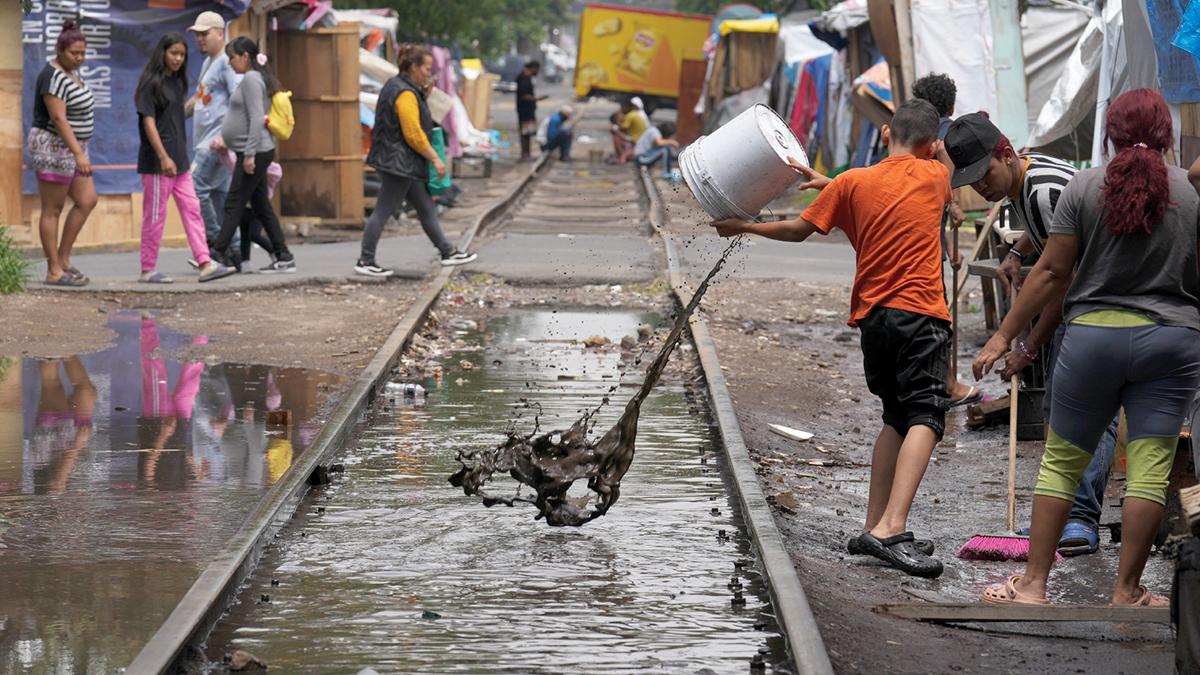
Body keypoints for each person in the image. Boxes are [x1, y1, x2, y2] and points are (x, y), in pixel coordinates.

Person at [973, 89, 1200, 606]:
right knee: (1149, 469)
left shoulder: (1083, 188)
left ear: (1109, 134)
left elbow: (1052, 272)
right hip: (1172, 343)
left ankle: (1032, 586)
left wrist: (1006, 334)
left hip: (1092, 342)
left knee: (1061, 463)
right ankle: (1128, 590)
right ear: (1166, 135)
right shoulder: (1191, 195)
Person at [709, 99, 952, 578]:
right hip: (921, 315)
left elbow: (799, 230)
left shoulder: (851, 183)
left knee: (895, 417)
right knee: (927, 414)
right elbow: (941, 167)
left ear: (885, 134)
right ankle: (891, 529)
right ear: (929, 145)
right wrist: (940, 151)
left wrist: (742, 225)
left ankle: (872, 526)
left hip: (873, 319)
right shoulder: (936, 178)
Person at [947, 112, 1117, 556]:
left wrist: (1023, 344)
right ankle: (1063, 514)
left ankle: (1080, 518)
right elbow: (1050, 232)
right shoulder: (1025, 180)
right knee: (1064, 409)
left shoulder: (1043, 190)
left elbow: (1062, 281)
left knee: (1089, 414)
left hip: (1100, 304)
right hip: (1083, 298)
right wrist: (1017, 252)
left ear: (1005, 153)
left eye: (984, 175)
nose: (980, 187)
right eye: (970, 180)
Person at [357, 44, 479, 278]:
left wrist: (425, 95)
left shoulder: (403, 88)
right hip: (398, 163)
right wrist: (435, 158)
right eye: (426, 68)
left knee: (425, 207)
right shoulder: (404, 93)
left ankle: (447, 251)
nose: (428, 73)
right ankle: (366, 260)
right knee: (383, 210)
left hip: (401, 162)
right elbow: (412, 132)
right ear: (413, 67)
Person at [134, 33, 234, 284]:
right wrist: (163, 157)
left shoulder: (179, 83)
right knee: (155, 217)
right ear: (163, 53)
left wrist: (177, 159)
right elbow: (149, 123)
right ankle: (148, 269)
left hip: (180, 162)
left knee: (193, 209)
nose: (178, 59)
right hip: (158, 164)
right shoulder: (151, 83)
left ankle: (205, 262)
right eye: (173, 53)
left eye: (182, 54)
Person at [912, 73, 977, 407]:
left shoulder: (911, 134)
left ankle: (926, 379)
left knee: (919, 307)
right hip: (929, 234)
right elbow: (943, 187)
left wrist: (949, 247)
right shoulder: (947, 134)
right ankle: (946, 384)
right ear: (950, 103)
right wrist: (952, 204)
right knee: (937, 310)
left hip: (913, 230)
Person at [209, 37, 295, 273]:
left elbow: (257, 118)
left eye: (232, 57)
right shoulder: (253, 78)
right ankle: (284, 256)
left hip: (255, 152)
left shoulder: (251, 79)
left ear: (245, 56)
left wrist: (248, 156)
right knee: (260, 207)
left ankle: (216, 256)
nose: (230, 62)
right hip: (253, 151)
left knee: (233, 203)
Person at [27, 20, 97, 287]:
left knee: (87, 199)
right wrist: (78, 153)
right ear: (60, 50)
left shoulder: (73, 74)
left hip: (74, 147)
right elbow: (58, 118)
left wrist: (80, 150)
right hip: (53, 146)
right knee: (53, 209)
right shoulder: (51, 75)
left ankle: (64, 260)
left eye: (82, 53)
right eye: (74, 53)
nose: (79, 58)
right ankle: (53, 270)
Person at [186, 11, 242, 256]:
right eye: (197, 35)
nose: (200, 39)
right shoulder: (209, 62)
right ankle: (233, 248)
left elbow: (238, 101)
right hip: (206, 140)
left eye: (204, 34)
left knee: (194, 188)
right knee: (219, 195)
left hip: (215, 141)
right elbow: (199, 98)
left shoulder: (226, 63)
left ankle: (214, 243)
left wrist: (225, 137)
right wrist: (175, 115)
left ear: (220, 33)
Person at [515, 61, 545, 161]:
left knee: (528, 133)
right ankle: (524, 154)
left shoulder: (526, 77)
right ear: (533, 68)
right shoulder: (524, 78)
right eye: (537, 70)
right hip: (525, 111)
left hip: (528, 111)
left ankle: (527, 154)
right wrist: (537, 99)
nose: (537, 72)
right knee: (525, 133)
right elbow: (524, 95)